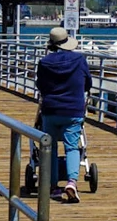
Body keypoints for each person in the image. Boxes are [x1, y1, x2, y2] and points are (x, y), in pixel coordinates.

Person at [35, 26, 91, 202]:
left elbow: (41, 86)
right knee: (72, 147)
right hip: (73, 110)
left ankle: (52, 186)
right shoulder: (79, 60)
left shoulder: (44, 63)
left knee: (49, 148)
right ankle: (72, 182)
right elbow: (88, 83)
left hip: (51, 110)